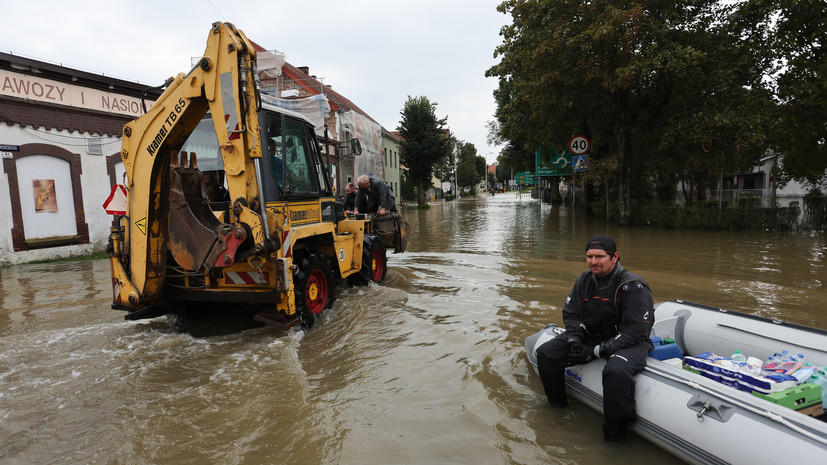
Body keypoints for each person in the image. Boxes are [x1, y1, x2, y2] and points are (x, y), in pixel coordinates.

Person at [535, 235, 654, 442]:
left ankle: (615, 434)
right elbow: (571, 314)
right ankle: (557, 407)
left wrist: (599, 350)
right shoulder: (584, 280)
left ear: (614, 257)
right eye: (589, 256)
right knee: (547, 353)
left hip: (629, 342)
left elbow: (636, 331)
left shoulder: (633, 286)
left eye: (600, 256)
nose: (593, 261)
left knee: (616, 371)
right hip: (592, 335)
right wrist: (574, 339)